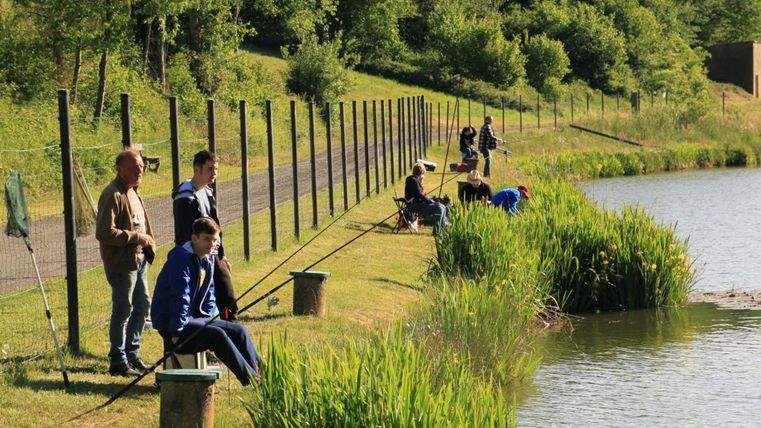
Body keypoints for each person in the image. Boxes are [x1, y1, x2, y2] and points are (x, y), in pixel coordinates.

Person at [151, 218, 260, 386]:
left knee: (239, 330)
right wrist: (176, 332)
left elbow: (208, 294)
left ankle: (266, 374)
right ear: (194, 238)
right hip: (171, 325)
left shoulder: (207, 258)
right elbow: (180, 297)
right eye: (207, 239)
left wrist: (211, 319)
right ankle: (253, 380)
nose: (211, 244)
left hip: (194, 319)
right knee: (218, 336)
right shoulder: (181, 260)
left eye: (215, 240)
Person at [95, 149, 156, 377]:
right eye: (134, 167)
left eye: (142, 166)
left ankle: (133, 354)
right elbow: (104, 232)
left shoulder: (133, 191)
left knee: (142, 306)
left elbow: (142, 225)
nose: (140, 170)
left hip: (139, 261)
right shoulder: (113, 194)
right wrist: (136, 238)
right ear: (120, 169)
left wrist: (148, 243)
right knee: (123, 310)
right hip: (122, 264)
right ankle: (118, 361)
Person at [172, 150, 238, 321]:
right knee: (198, 298)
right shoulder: (185, 196)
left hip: (212, 252)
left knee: (226, 292)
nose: (214, 173)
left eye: (216, 169)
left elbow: (216, 226)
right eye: (209, 169)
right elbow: (184, 235)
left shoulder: (208, 192)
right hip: (196, 256)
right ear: (197, 170)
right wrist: (196, 259)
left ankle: (229, 324)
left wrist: (222, 255)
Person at [405, 162, 449, 235]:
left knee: (443, 206)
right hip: (415, 205)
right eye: (423, 174)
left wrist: (430, 200)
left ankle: (442, 228)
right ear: (421, 173)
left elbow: (421, 194)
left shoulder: (414, 180)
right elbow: (420, 195)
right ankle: (437, 232)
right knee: (439, 208)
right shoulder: (414, 181)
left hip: (418, 204)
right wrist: (431, 202)